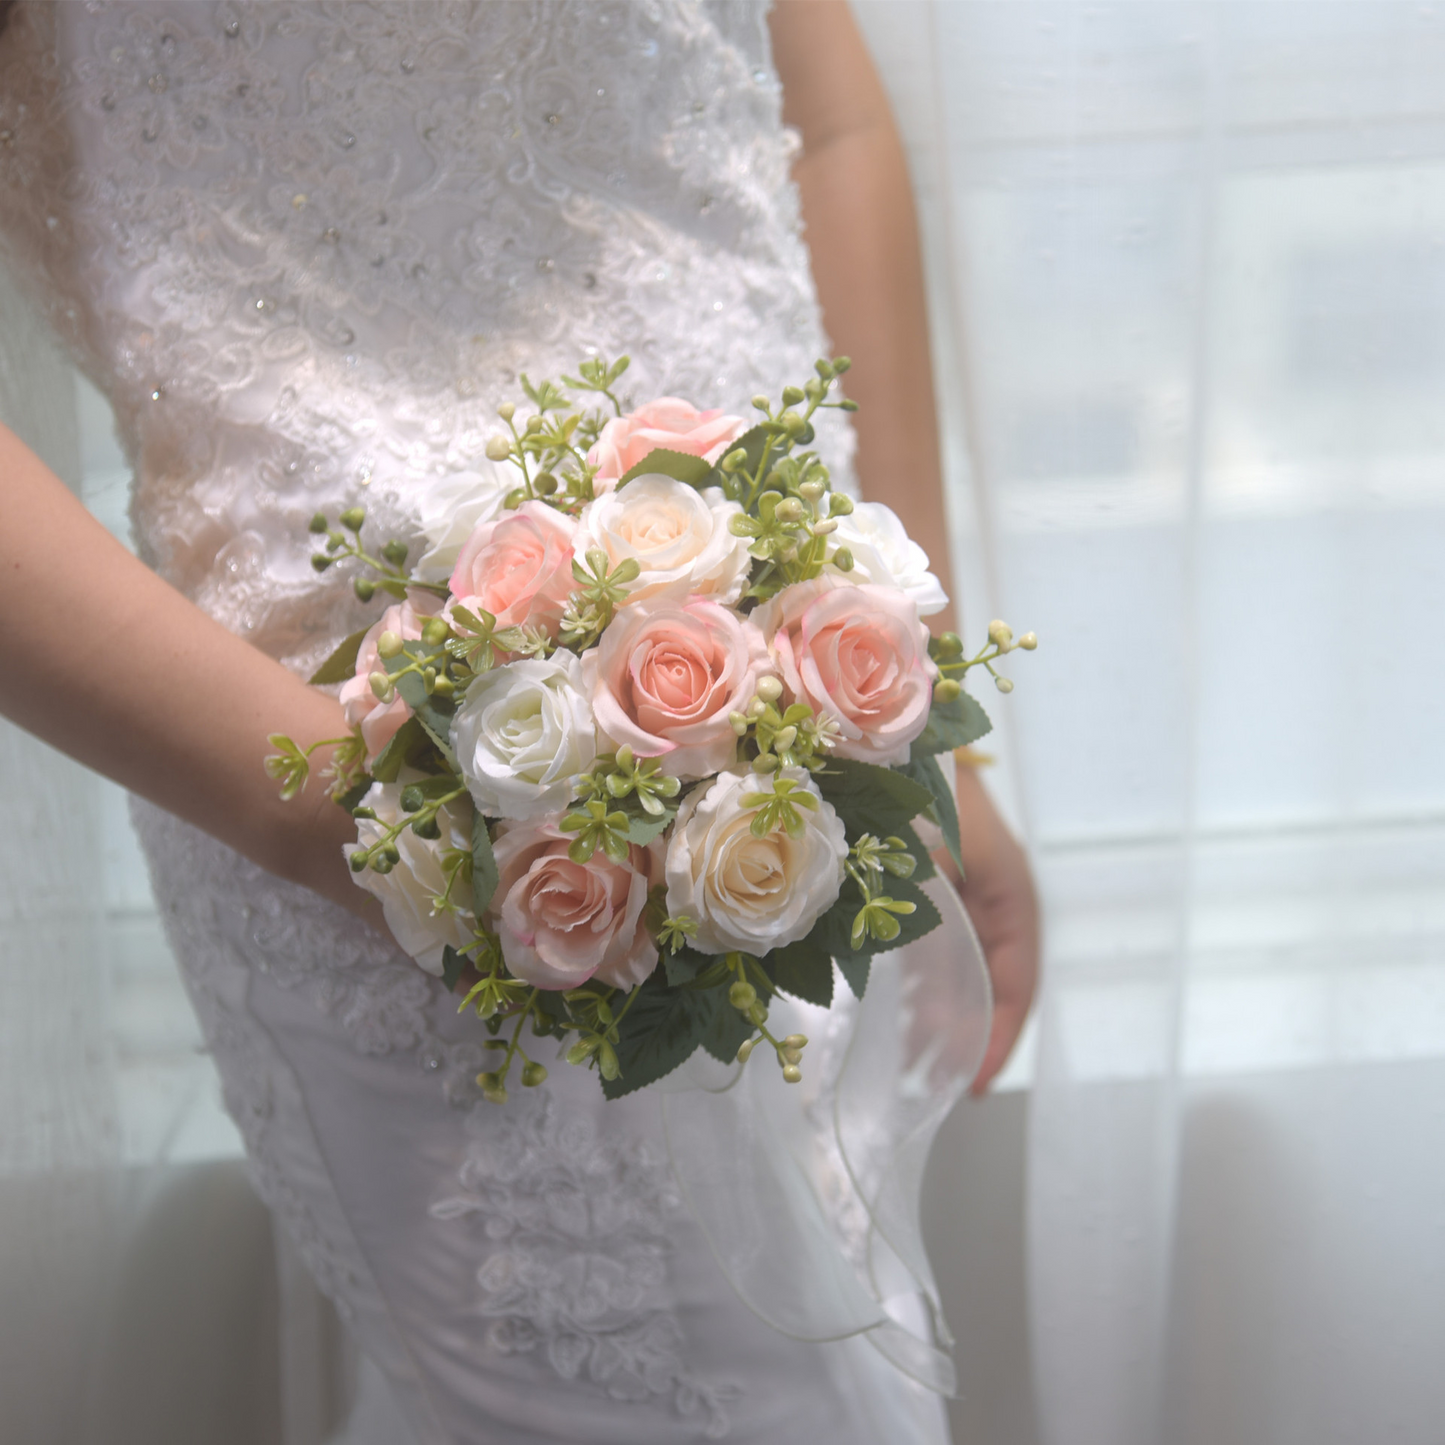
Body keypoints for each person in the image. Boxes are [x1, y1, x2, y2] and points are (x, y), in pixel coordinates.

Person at [0, 3, 1037, 1441]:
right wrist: (345, 819)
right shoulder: (365, 818)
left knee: (847, 1370)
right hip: (373, 790)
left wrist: (914, 693)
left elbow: (822, 102)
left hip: (808, 720)